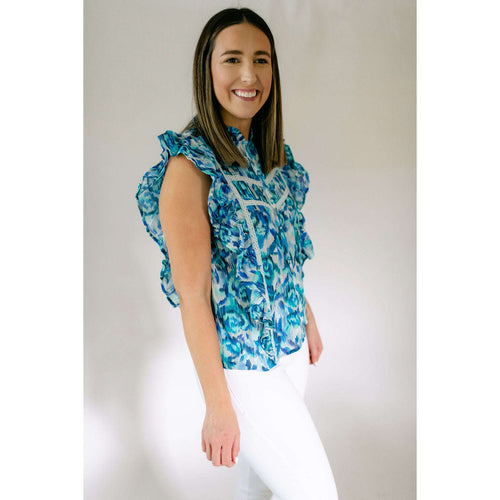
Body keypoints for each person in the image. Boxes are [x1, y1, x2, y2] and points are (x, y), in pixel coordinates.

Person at [136, 7, 339, 499]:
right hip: (244, 371)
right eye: (232, 59)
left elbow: (281, 255)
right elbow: (193, 295)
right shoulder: (189, 168)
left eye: (261, 60)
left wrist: (305, 314)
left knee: (258, 493)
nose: (249, 75)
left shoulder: (272, 158)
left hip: (290, 353)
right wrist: (218, 405)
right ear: (207, 70)